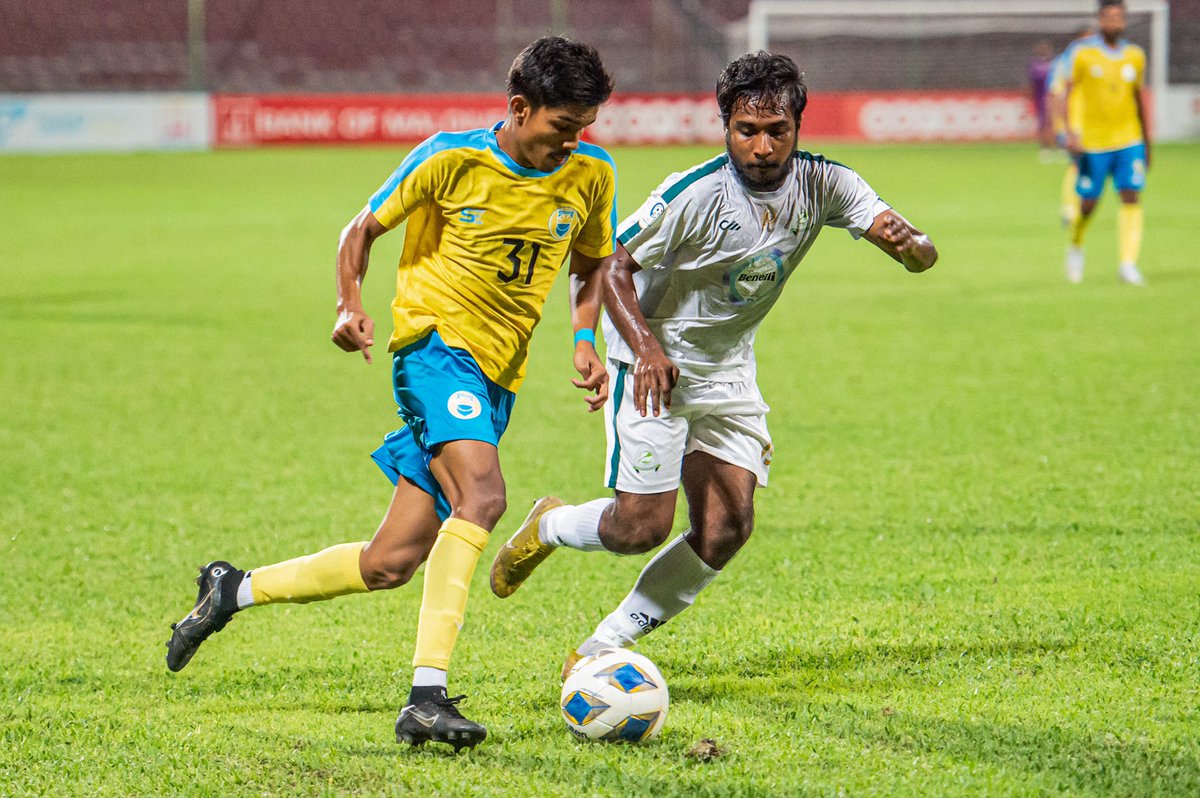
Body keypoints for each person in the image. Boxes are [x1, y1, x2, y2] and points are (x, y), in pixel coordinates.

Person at [164, 36, 617, 751]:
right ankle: (426, 698)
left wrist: (585, 340)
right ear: (519, 108)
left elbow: (591, 265)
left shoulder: (592, 173)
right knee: (483, 498)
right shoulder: (449, 158)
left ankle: (232, 589)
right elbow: (361, 229)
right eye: (562, 126)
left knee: (390, 562)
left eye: (584, 127)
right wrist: (349, 305)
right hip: (435, 352)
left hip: (497, 376)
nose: (573, 141)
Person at [489, 52, 937, 678]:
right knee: (640, 528)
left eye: (777, 131)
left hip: (728, 367)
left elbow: (908, 240)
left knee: (727, 528)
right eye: (746, 131)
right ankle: (551, 525)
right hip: (654, 361)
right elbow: (613, 266)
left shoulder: (826, 184)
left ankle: (602, 648)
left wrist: (914, 249)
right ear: (726, 126)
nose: (762, 147)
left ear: (798, 127)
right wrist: (645, 348)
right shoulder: (694, 194)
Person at [1059, 0, 1150, 285]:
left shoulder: (1135, 56)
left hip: (1129, 139)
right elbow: (1070, 94)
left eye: (1118, 17)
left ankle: (1128, 264)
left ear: (1125, 21)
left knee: (1131, 196)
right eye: (1108, 17)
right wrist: (1072, 132)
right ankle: (1076, 245)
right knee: (1088, 205)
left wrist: (1147, 142)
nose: (1114, 22)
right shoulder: (1082, 54)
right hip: (1093, 142)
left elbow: (1138, 99)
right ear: (1100, 19)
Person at [1047, 24, 1097, 228]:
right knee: (1077, 165)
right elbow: (1055, 95)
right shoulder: (1064, 62)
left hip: (1091, 125)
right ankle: (1070, 210)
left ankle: (1078, 207)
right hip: (1072, 125)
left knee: (1087, 167)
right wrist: (1058, 126)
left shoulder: (1095, 60)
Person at [1029, 40, 1057, 160]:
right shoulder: (1038, 66)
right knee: (1044, 124)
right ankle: (1044, 148)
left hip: (1050, 98)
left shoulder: (1053, 65)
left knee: (1053, 123)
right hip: (1042, 99)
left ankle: (1054, 147)